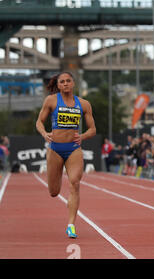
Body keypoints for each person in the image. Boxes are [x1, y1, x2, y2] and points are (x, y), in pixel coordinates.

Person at [36, 72, 96, 238]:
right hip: (55, 149)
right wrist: (44, 133)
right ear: (59, 85)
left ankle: (71, 225)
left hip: (73, 149)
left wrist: (82, 136)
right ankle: (63, 199)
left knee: (75, 183)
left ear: (73, 83)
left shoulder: (83, 104)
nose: (65, 84)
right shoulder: (51, 100)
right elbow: (39, 121)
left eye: (68, 80)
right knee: (53, 192)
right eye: (62, 82)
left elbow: (93, 129)